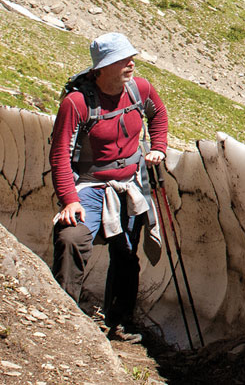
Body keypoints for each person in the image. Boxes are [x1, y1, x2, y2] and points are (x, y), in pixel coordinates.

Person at [48, 31, 168, 343]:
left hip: (129, 184)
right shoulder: (77, 103)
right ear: (102, 67)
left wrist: (160, 147)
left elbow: (159, 115)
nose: (131, 63)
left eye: (130, 57)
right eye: (122, 60)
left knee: (126, 253)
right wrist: (69, 200)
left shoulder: (139, 89)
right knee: (71, 237)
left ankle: (121, 321)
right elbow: (60, 154)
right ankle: (64, 316)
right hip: (89, 186)